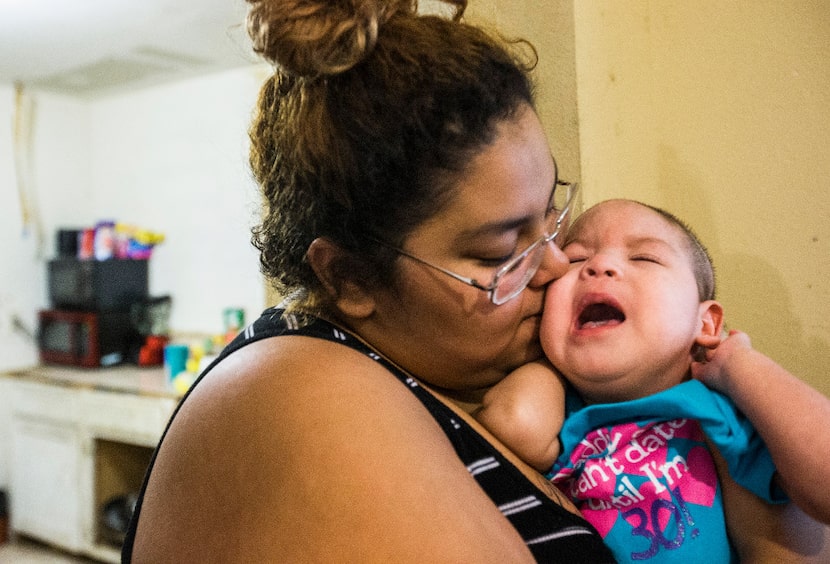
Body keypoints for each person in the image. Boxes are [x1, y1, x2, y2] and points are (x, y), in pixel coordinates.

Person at [122, 0, 617, 561]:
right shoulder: (304, 395)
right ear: (349, 277)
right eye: (502, 252)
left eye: (551, 212)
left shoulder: (466, 378)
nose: (554, 265)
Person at [474, 198, 830, 562]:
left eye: (644, 258)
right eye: (577, 258)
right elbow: (514, 425)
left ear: (704, 323)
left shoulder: (715, 412)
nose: (600, 266)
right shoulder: (560, 415)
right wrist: (551, 354)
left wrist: (739, 363)